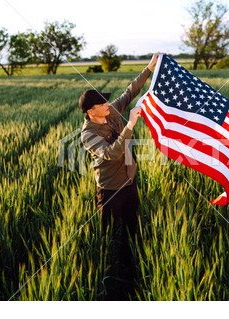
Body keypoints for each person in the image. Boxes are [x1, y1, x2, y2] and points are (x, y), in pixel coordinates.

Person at [79, 53, 161, 300]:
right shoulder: (88, 134)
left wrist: (150, 67)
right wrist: (130, 126)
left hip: (129, 182)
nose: (108, 105)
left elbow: (129, 92)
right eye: (102, 105)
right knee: (113, 235)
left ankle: (133, 271)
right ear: (91, 111)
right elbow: (112, 154)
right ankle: (113, 280)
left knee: (132, 228)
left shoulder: (111, 111)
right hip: (111, 189)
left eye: (106, 103)